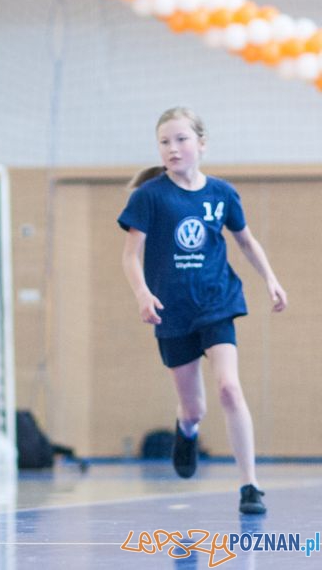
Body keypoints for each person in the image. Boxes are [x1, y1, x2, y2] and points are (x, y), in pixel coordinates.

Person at [119, 107, 286, 515]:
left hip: (217, 302)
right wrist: (142, 293)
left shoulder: (222, 194)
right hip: (171, 311)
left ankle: (250, 486)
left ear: (201, 144)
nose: (173, 148)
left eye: (181, 139)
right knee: (194, 407)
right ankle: (187, 429)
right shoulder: (150, 197)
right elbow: (130, 256)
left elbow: (245, 241)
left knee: (229, 387)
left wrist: (271, 279)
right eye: (164, 142)